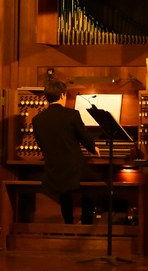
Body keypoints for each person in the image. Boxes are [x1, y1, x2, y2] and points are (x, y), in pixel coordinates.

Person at [32, 80, 101, 225]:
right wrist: (93, 148)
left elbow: (41, 144)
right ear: (63, 95)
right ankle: (86, 223)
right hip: (74, 170)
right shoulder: (72, 115)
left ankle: (68, 223)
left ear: (47, 97)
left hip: (53, 171)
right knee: (94, 185)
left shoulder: (37, 119)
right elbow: (85, 138)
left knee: (64, 189)